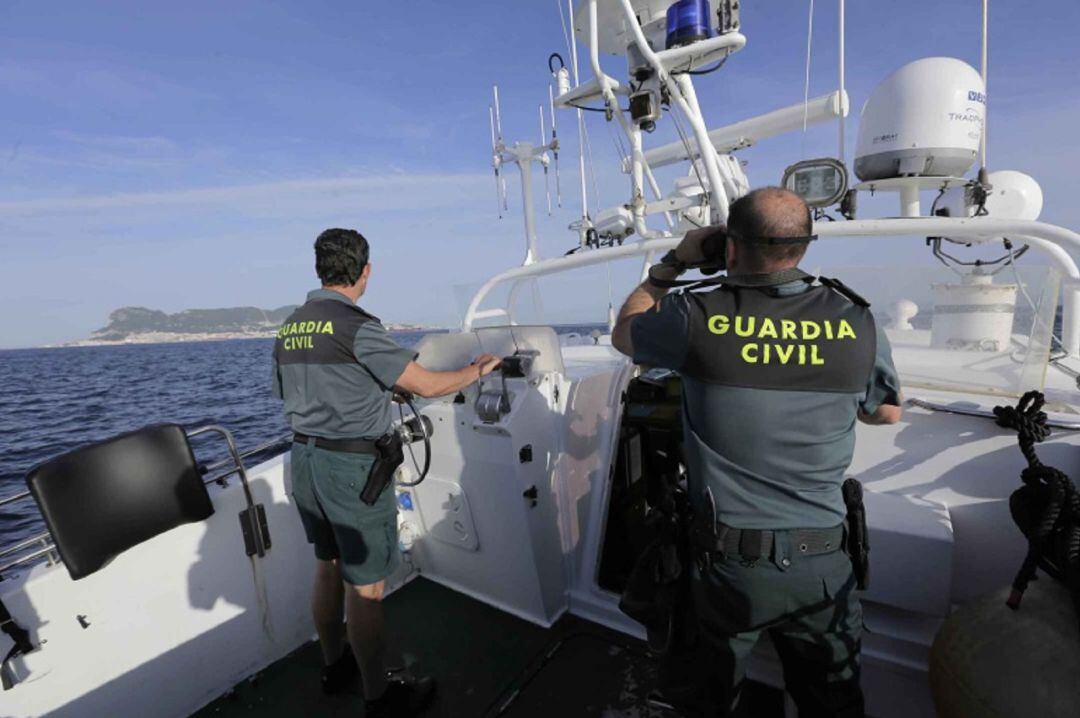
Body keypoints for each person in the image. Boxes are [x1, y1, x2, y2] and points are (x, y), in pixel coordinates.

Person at [611, 187, 902, 717]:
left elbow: (624, 334)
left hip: (726, 568)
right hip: (822, 564)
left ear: (729, 247)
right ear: (805, 246)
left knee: (707, 699)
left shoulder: (694, 316)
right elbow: (886, 413)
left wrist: (671, 264)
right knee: (832, 704)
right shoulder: (856, 320)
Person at [271, 228, 501, 716]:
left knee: (328, 564)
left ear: (320, 269)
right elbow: (428, 384)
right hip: (351, 470)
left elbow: (299, 392)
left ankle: (335, 666)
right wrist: (478, 371)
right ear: (365, 272)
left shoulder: (291, 326)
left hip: (305, 461)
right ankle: (380, 696)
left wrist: (372, 390)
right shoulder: (357, 326)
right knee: (367, 587)